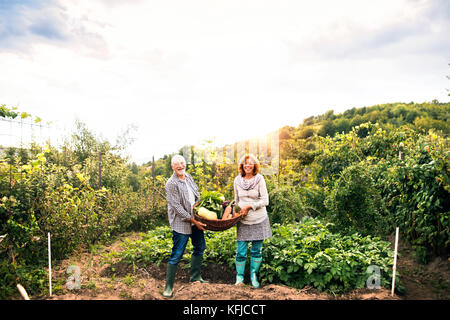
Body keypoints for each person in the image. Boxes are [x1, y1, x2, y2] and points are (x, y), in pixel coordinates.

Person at [162, 155, 208, 298]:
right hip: (181, 222)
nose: (180, 166)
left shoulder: (188, 177)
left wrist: (198, 206)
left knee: (200, 247)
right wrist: (193, 221)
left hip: (196, 219)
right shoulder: (171, 183)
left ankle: (195, 276)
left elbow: (197, 194)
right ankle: (168, 286)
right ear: (172, 167)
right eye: (177, 164)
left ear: (185, 164)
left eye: (182, 163)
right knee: (177, 253)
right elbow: (176, 207)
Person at [233, 154, 272, 288]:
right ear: (242, 166)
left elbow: (265, 200)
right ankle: (239, 277)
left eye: (250, 163)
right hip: (243, 221)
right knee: (241, 251)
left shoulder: (259, 179)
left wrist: (250, 206)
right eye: (245, 163)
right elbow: (237, 200)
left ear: (254, 165)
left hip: (259, 219)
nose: (247, 165)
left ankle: (253, 276)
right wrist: (237, 211)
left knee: (256, 250)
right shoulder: (237, 180)